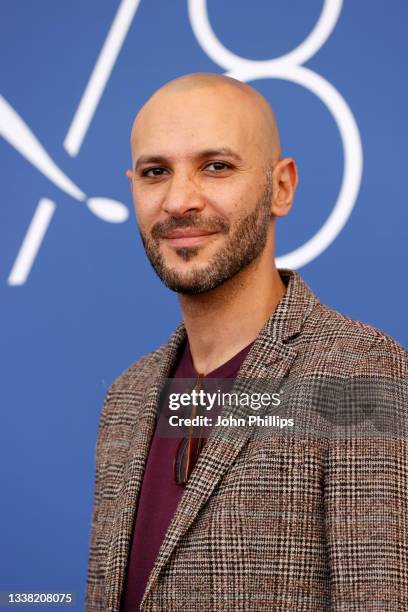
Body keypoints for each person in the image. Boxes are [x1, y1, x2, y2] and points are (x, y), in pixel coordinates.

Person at [86, 73, 408, 612]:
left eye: (216, 166)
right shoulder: (127, 398)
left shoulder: (361, 372)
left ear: (280, 187)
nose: (179, 199)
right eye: (155, 172)